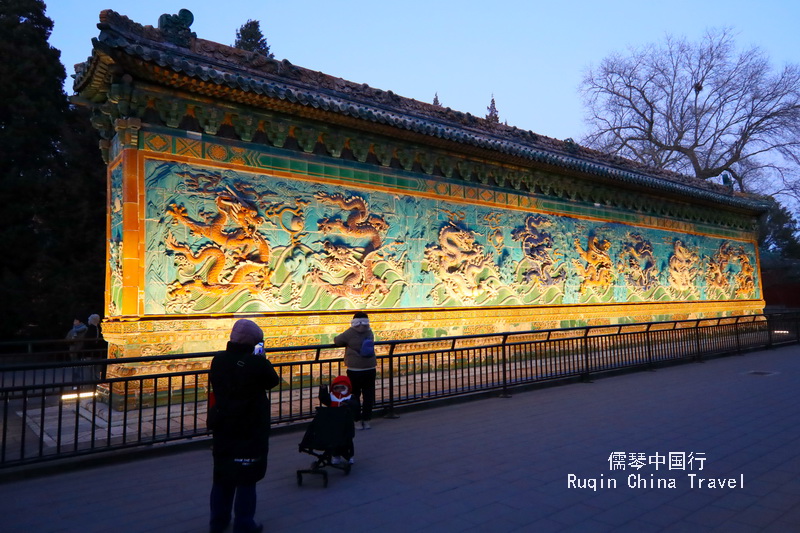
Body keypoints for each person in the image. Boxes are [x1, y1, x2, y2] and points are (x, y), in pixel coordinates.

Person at [208, 319, 280, 533]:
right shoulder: (256, 363)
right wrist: (260, 359)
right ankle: (244, 523)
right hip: (250, 428)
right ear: (253, 342)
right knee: (247, 478)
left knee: (222, 476)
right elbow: (272, 381)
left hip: (223, 425)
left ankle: (218, 522)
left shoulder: (218, 359)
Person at [334, 311, 376, 430]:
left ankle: (357, 420)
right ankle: (367, 420)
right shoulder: (369, 332)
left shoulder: (350, 332)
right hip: (370, 367)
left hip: (355, 369)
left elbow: (337, 341)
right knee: (368, 395)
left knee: (355, 395)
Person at [317, 375, 359, 464]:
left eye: (342, 388)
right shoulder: (331, 397)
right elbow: (323, 399)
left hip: (346, 423)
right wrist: (323, 390)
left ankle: (349, 456)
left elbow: (355, 405)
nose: (339, 390)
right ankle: (336, 456)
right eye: (337, 388)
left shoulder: (350, 397)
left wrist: (348, 403)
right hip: (334, 423)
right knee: (334, 441)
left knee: (348, 441)